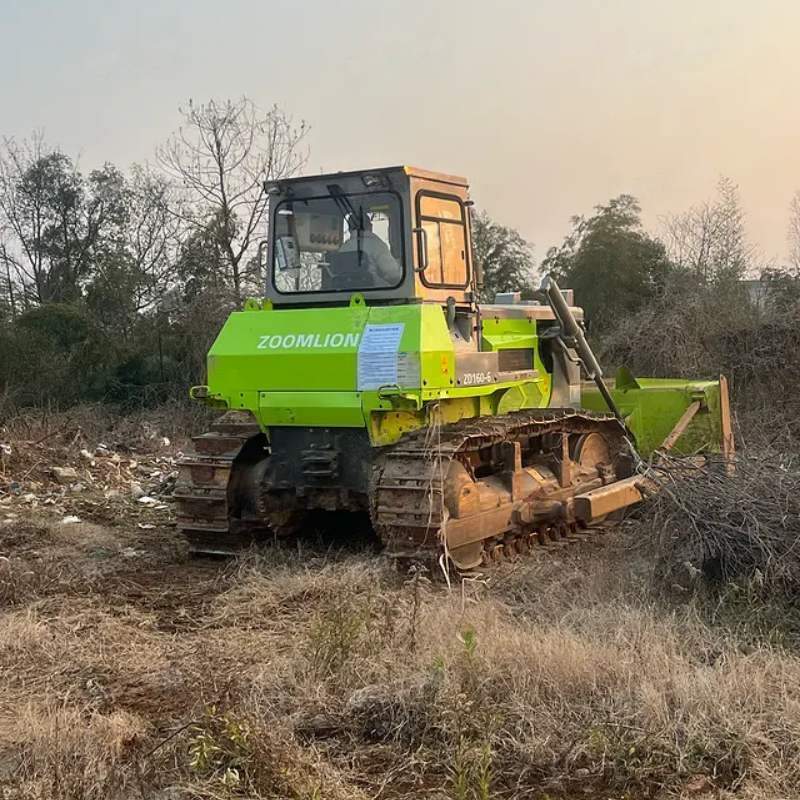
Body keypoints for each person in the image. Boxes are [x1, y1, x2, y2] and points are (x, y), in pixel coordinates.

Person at [337, 211, 402, 286]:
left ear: (349, 229)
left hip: (347, 291)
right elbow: (393, 274)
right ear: (370, 226)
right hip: (375, 292)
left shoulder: (343, 248)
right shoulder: (377, 245)